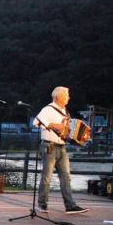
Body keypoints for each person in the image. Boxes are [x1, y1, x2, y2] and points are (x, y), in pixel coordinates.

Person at [34, 86, 88, 214]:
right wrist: (53, 125)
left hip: (62, 146)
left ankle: (70, 206)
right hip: (49, 146)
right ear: (59, 96)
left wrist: (80, 137)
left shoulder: (65, 111)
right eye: (67, 95)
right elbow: (36, 122)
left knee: (66, 177)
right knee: (47, 177)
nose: (69, 97)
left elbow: (67, 130)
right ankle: (42, 205)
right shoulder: (48, 109)